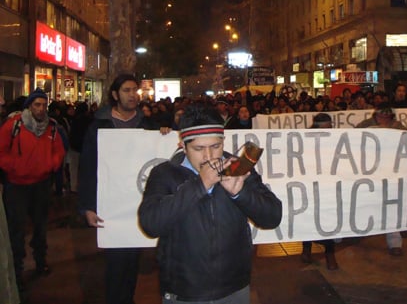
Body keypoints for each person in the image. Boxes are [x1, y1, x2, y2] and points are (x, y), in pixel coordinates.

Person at [138, 103, 282, 304]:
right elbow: (151, 224)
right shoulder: (165, 173)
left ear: (223, 142)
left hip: (235, 286)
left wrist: (240, 193)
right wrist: (200, 185)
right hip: (185, 289)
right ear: (183, 145)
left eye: (215, 147)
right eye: (198, 148)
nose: (209, 156)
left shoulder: (237, 167)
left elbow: (273, 216)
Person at [78, 74, 166, 304]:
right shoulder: (99, 126)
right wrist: (87, 207)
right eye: (126, 90)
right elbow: (88, 169)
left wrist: (165, 136)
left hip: (138, 205)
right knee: (116, 265)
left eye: (135, 90)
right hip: (112, 207)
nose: (132, 95)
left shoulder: (147, 125)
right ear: (115, 94)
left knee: (132, 264)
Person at [0, 88, 65, 292]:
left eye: (44, 105)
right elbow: (1, 150)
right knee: (16, 230)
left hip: (40, 184)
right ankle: (17, 270)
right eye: (37, 104)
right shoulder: (14, 125)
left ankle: (40, 260)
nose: (41, 109)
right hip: (17, 186)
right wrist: (14, 167)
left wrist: (50, 165)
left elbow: (59, 151)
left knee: (40, 227)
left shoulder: (51, 127)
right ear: (29, 106)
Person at [356, 102, 407, 256]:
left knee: (391, 203)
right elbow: (351, 139)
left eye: (386, 114)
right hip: (368, 172)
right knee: (362, 202)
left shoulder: (398, 126)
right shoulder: (365, 125)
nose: (383, 117)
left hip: (391, 172)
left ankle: (394, 240)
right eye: (380, 114)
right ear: (375, 114)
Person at [300, 112, 339, 270]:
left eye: (329, 127)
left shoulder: (337, 139)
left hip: (328, 186)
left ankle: (330, 252)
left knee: (328, 218)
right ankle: (307, 249)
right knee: (309, 216)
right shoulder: (306, 141)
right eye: (324, 128)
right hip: (311, 184)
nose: (327, 130)